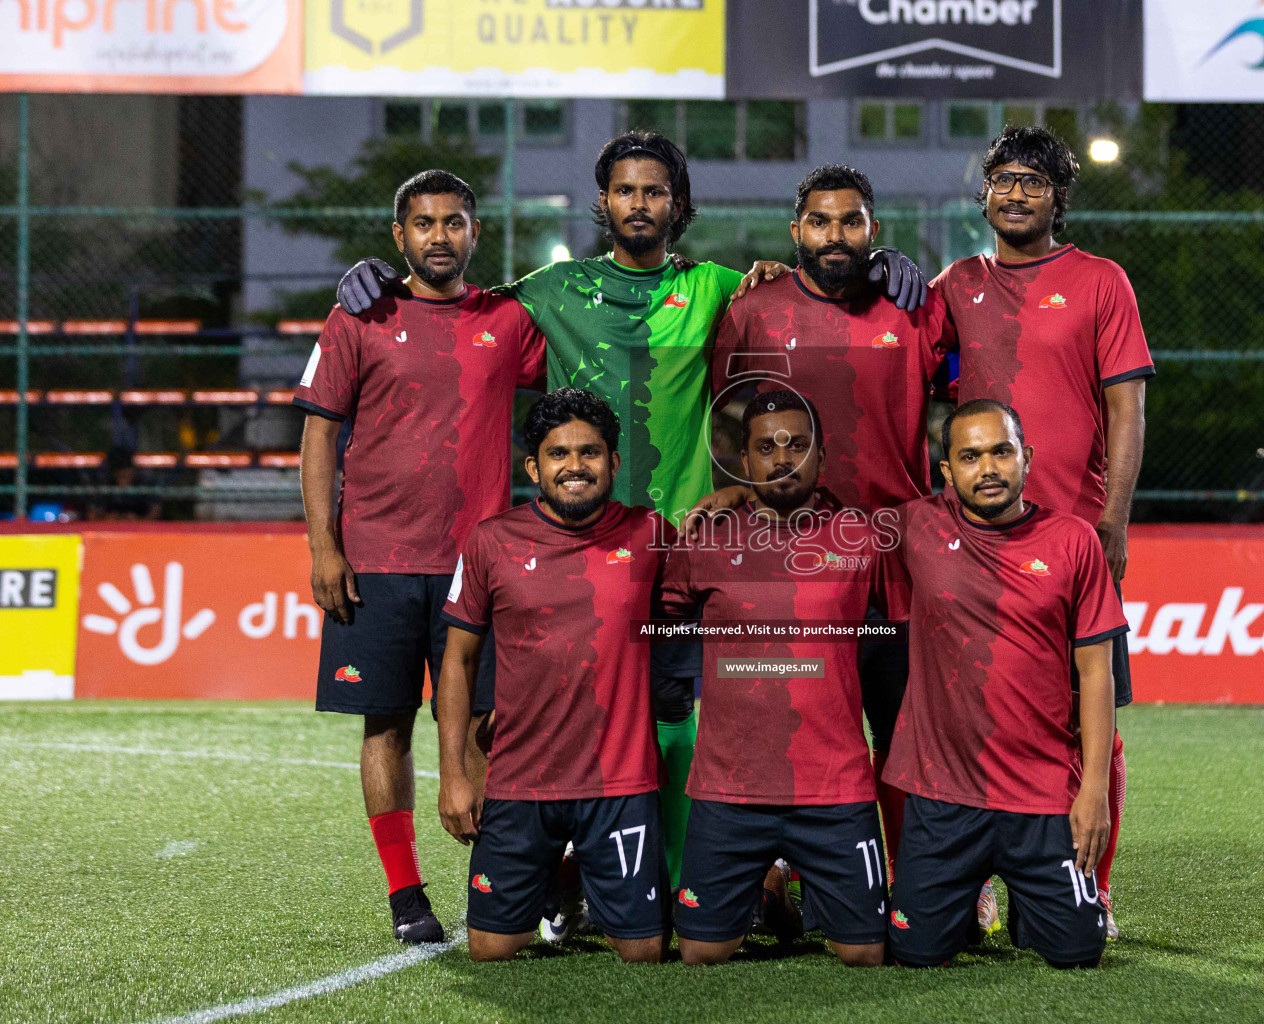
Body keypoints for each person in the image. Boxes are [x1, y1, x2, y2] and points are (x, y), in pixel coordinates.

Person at [334, 133, 928, 896]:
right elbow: (455, 311)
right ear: (604, 201)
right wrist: (381, 279)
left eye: (654, 192)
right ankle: (546, 883)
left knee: (680, 714)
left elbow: (807, 293)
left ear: (677, 205)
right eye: (624, 190)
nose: (639, 204)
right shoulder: (552, 288)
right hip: (573, 549)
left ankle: (684, 882)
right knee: (549, 714)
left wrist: (883, 263)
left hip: (679, 549)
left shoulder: (723, 288)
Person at [293, 170, 546, 944]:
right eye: (425, 224)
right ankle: (407, 897)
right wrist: (324, 546)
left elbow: (579, 350)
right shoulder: (358, 314)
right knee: (387, 726)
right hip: (376, 558)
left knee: (486, 727)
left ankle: (493, 887)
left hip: (481, 563)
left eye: (456, 222)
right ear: (399, 235)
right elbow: (319, 437)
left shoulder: (509, 320)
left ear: (476, 233)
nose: (441, 236)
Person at [697, 164, 951, 896]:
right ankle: (791, 882)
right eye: (820, 221)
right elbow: (729, 421)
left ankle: (919, 885)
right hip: (788, 564)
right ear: (795, 231)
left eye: (851, 221)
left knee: (904, 734)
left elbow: (965, 388)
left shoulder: (913, 307)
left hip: (895, 561)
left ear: (874, 228)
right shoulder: (753, 309)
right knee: (792, 728)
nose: (835, 236)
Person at [931, 126, 1154, 937]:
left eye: (1032, 180)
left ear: (1060, 196)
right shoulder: (957, 284)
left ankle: (1085, 880)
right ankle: (978, 879)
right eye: (1002, 178)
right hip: (972, 544)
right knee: (967, 713)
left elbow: (1128, 408)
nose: (1015, 192)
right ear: (983, 193)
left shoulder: (1100, 282)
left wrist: (1114, 521)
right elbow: (906, 374)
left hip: (1070, 539)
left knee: (1085, 717)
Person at [882, 400, 1125, 969]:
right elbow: (814, 524)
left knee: (1076, 951)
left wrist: (1092, 791)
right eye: (969, 456)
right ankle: (963, 899)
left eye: (1001, 451)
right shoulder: (914, 527)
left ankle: (1029, 906)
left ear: (1027, 458)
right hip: (944, 797)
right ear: (947, 472)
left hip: (1040, 794)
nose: (987, 468)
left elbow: (1096, 672)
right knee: (915, 953)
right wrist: (738, 496)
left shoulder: (1074, 540)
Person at [436, 388, 672, 963]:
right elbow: (457, 661)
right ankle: (561, 876)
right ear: (533, 467)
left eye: (589, 452)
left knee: (643, 954)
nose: (574, 466)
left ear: (614, 463)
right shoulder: (490, 541)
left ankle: (571, 876)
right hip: (520, 783)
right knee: (491, 951)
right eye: (558, 453)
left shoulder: (652, 535)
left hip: (620, 783)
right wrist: (454, 776)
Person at [661, 390, 892, 968]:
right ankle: (773, 892)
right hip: (729, 789)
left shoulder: (863, 539)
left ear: (821, 454)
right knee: (700, 953)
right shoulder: (705, 537)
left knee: (864, 954)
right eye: (765, 447)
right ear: (743, 459)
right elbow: (655, 630)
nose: (782, 458)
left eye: (797, 445)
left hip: (834, 788)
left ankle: (784, 884)